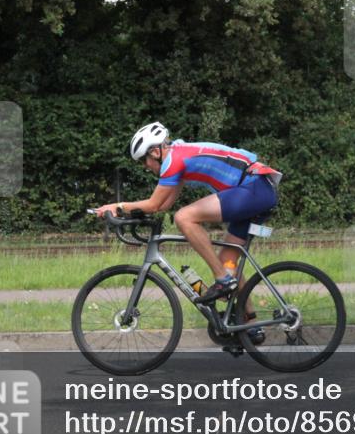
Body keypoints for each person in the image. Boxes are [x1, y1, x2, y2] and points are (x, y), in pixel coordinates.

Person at [94, 122, 281, 305]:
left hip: (253, 188)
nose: (145, 166)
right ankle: (249, 323)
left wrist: (117, 206)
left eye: (144, 160)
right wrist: (128, 213)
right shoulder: (179, 155)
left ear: (155, 152)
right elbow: (162, 206)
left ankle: (222, 280)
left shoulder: (174, 160)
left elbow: (153, 204)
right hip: (257, 189)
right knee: (227, 262)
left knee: (184, 217)